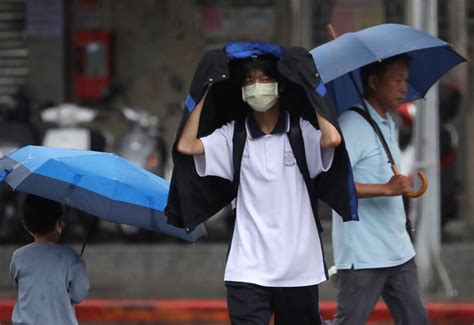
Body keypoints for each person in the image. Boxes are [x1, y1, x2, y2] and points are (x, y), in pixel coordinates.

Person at [177, 55, 342, 324]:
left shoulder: (300, 131)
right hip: (248, 267)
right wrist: (203, 90)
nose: (257, 86)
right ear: (242, 91)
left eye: (265, 79)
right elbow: (186, 145)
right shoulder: (233, 135)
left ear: (280, 86)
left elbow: (332, 138)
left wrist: (312, 86)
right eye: (250, 81)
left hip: (298, 268)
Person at [330, 55, 429, 324]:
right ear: (373, 82)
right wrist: (386, 189)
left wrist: (399, 187)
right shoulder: (352, 125)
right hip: (365, 254)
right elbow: (334, 185)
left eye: (406, 81)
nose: (403, 88)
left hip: (398, 249)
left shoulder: (387, 123)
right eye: (397, 80)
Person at [9, 194, 89, 325]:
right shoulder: (70, 257)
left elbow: (20, 287)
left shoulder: (18, 257)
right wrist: (81, 266)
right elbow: (78, 295)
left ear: (25, 224)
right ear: (59, 222)